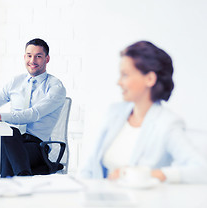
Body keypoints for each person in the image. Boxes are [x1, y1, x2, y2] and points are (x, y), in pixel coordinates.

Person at [79, 41, 207, 183]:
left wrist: (151, 175)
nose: (119, 82)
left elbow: (201, 170)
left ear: (150, 79)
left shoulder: (167, 124)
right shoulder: (115, 112)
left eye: (125, 75)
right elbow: (90, 166)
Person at [0, 38, 66, 177]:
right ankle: (22, 178)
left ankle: (13, 179)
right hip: (10, 143)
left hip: (37, 146)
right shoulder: (16, 82)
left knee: (7, 138)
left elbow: (33, 114)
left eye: (38, 56)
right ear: (24, 57)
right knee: (8, 135)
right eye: (29, 55)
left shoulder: (55, 87)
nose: (33, 60)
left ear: (47, 59)